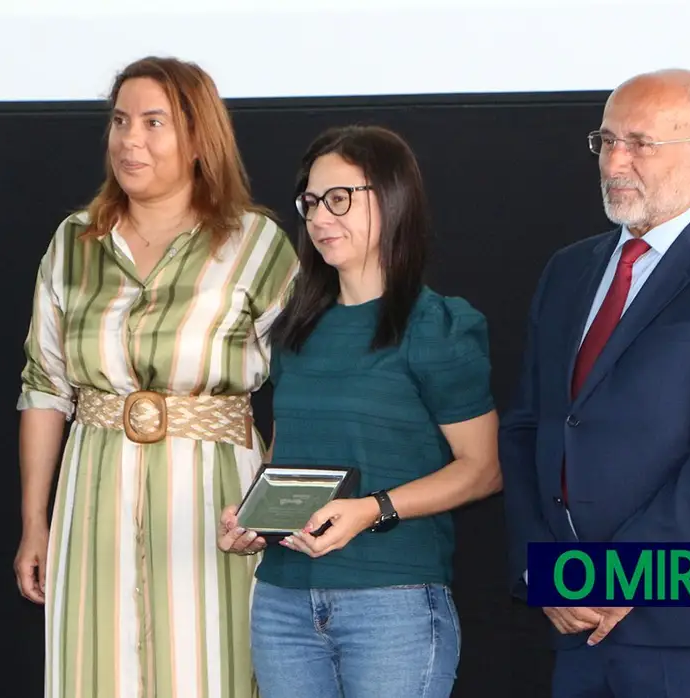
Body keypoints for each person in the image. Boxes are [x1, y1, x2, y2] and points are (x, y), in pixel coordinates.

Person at [499, 69, 690, 697]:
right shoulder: (569, 271)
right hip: (580, 626)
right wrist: (546, 572)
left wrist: (620, 572)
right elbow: (530, 426)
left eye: (640, 143)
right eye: (607, 140)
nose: (616, 160)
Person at [12, 56, 298, 698]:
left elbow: (308, 384)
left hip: (217, 511)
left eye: (152, 123)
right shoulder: (74, 242)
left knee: (210, 671)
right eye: (119, 122)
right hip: (93, 501)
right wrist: (36, 523)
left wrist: (274, 508)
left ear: (199, 139)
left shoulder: (256, 243)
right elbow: (45, 386)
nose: (128, 140)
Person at [217, 125, 502, 698]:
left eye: (339, 199)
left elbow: (482, 469)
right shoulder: (294, 329)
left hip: (390, 601)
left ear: (392, 198)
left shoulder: (437, 326)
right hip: (283, 602)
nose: (320, 218)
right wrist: (254, 516)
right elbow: (289, 452)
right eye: (311, 202)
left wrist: (372, 509)